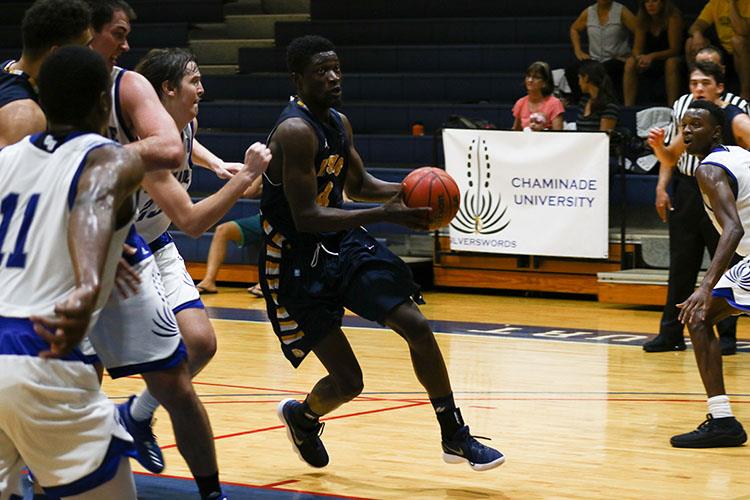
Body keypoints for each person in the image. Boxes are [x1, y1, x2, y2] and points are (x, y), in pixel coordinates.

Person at [261, 35, 504, 471]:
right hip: (296, 261)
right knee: (349, 382)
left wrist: (418, 194)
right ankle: (303, 417)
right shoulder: (294, 132)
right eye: (321, 71)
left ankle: (455, 435)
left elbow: (358, 185)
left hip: (341, 245)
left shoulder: (338, 121)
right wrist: (386, 214)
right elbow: (307, 216)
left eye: (336, 68)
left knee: (416, 325)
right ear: (298, 79)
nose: (333, 77)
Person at [85, 3, 264, 498]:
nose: (202, 89)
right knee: (95, 368)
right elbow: (192, 222)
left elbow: (189, 143)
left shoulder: (182, 122)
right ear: (166, 90)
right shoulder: (145, 147)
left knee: (201, 343)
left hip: (154, 241)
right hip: (123, 248)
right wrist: (244, 177)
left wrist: (216, 164)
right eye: (194, 81)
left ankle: (136, 416)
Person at [0, 45, 143, 499]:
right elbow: (92, 200)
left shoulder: (6, 158)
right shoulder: (111, 157)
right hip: (40, 350)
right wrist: (88, 280)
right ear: (103, 102)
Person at [645, 59, 750, 355]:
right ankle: (672, 332)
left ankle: (725, 335)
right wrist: (658, 151)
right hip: (692, 190)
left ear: (719, 87)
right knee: (682, 264)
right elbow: (670, 157)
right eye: (693, 83)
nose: (698, 88)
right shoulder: (692, 116)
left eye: (705, 83)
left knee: (728, 260)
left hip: (731, 193)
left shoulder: (736, 116)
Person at [668, 99, 748, 448]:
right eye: (684, 125)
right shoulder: (739, 154)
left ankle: (723, 421)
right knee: (700, 319)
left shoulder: (710, 169)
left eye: (696, 125)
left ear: (716, 132)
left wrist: (705, 286)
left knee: (698, 315)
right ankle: (722, 420)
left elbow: (733, 229)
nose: (687, 130)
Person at [0, 0, 92, 147]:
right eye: (85, 46)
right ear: (56, 54)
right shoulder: (26, 116)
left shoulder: (8, 69)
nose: (91, 53)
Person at [195, 180, 264, 297]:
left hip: (283, 219)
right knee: (222, 230)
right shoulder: (268, 171)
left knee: (272, 234)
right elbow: (249, 192)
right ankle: (208, 281)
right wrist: (263, 172)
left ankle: (265, 283)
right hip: (262, 217)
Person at [567, 0, 637, 103]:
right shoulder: (589, 12)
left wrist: (635, 53)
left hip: (617, 60)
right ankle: (580, 103)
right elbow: (574, 29)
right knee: (572, 70)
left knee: (603, 69)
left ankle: (607, 102)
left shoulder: (622, 11)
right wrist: (578, 51)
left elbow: (639, 31)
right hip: (595, 60)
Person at [685, 0, 750, 100]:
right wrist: (697, 34)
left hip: (744, 50)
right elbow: (695, 26)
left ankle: (746, 93)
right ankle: (696, 89)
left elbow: (742, 31)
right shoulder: (716, 2)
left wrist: (732, 4)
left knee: (737, 41)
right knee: (690, 42)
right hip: (723, 49)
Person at [623, 0, 684, 106]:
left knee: (671, 63)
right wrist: (639, 58)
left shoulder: (673, 18)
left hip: (670, 56)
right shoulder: (642, 19)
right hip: (649, 58)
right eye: (647, 2)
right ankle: (628, 107)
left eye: (654, 1)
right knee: (630, 62)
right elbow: (637, 49)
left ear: (663, 2)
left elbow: (674, 50)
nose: (650, 5)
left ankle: (672, 107)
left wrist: (652, 56)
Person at [511, 61, 564, 131]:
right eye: (528, 76)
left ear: (545, 82)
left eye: (536, 77)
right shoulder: (520, 103)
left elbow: (558, 134)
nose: (530, 80)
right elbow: (516, 132)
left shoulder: (555, 104)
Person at [576, 60, 620, 132]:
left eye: (579, 78)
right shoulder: (583, 102)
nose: (579, 83)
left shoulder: (609, 106)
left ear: (586, 77)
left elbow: (603, 136)